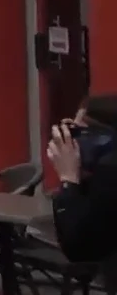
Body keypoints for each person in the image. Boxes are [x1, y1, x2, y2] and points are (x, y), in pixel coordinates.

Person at [47, 94, 117, 264]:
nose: (74, 141)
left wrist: (68, 179)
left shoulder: (109, 172)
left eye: (80, 132)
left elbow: (78, 247)